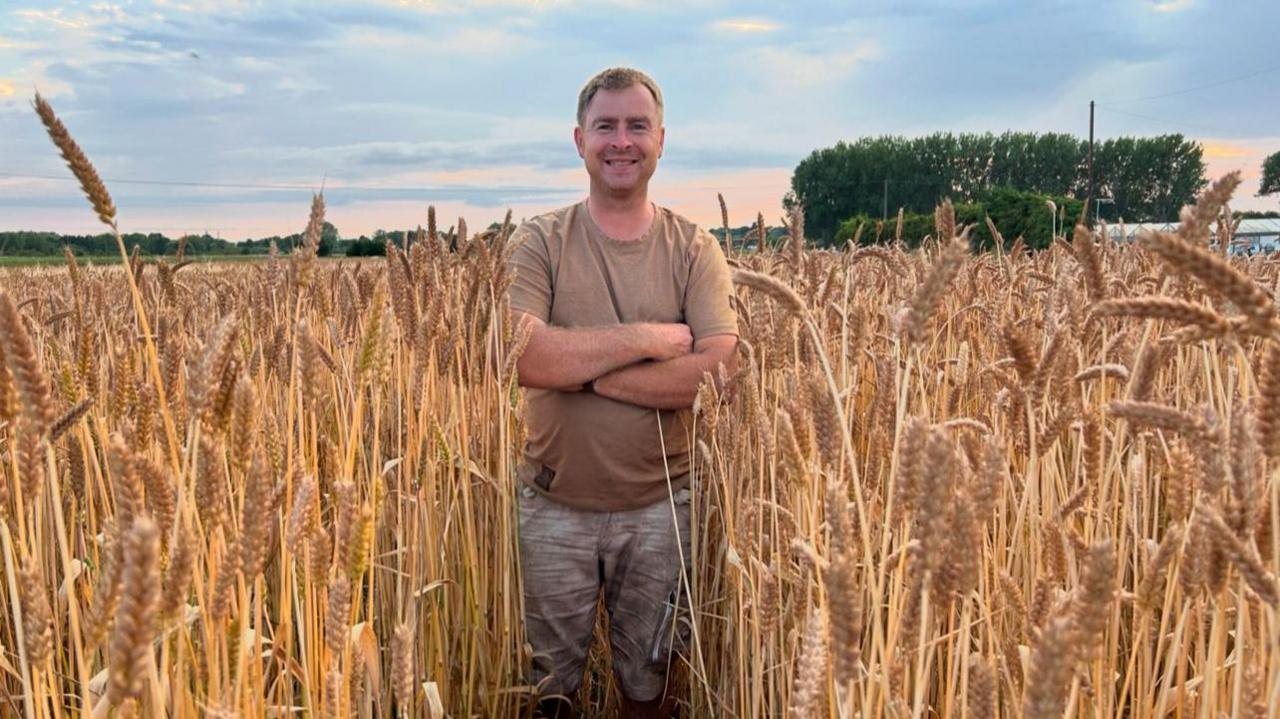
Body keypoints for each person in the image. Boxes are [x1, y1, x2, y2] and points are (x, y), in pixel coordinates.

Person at [506, 67, 739, 718]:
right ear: (578, 140)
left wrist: (592, 371)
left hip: (661, 505)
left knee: (652, 687)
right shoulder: (541, 241)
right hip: (553, 504)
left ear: (662, 139)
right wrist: (646, 338)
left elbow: (717, 371)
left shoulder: (695, 249)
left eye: (637, 126)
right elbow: (521, 353)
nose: (621, 141)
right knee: (550, 693)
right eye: (605, 126)